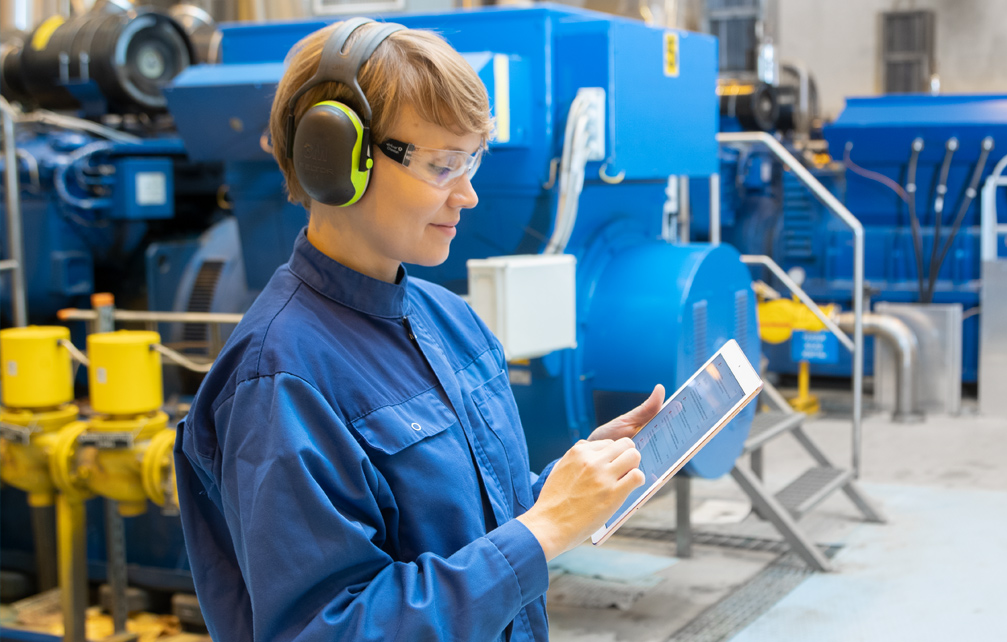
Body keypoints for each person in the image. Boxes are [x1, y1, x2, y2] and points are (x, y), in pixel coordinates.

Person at [174, 17, 664, 642]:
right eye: (442, 166)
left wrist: (574, 485)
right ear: (334, 158)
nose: (468, 196)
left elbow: (474, 527)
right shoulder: (280, 380)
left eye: (472, 162)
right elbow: (329, 629)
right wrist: (542, 533)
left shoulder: (448, 318)